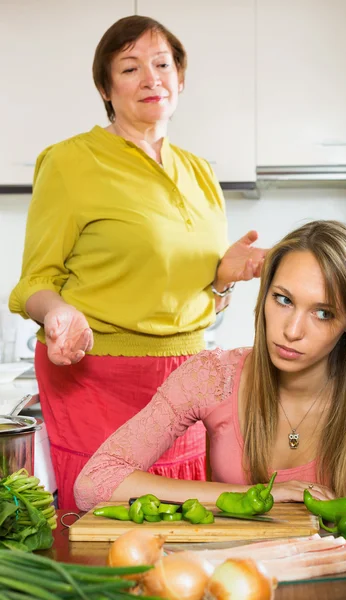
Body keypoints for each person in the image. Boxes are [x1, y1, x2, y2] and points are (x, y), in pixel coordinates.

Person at [8, 15, 266, 510]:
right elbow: (37, 280)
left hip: (186, 375)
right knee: (106, 516)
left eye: (162, 64)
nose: (151, 78)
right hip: (95, 375)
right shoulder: (69, 161)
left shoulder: (201, 172)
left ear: (180, 79)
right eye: (129, 68)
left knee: (183, 518)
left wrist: (221, 281)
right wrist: (57, 313)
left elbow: (197, 303)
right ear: (106, 89)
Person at [74, 220, 346, 511]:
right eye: (283, 300)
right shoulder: (214, 376)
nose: (292, 330)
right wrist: (260, 496)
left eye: (323, 312)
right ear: (265, 295)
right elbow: (94, 483)